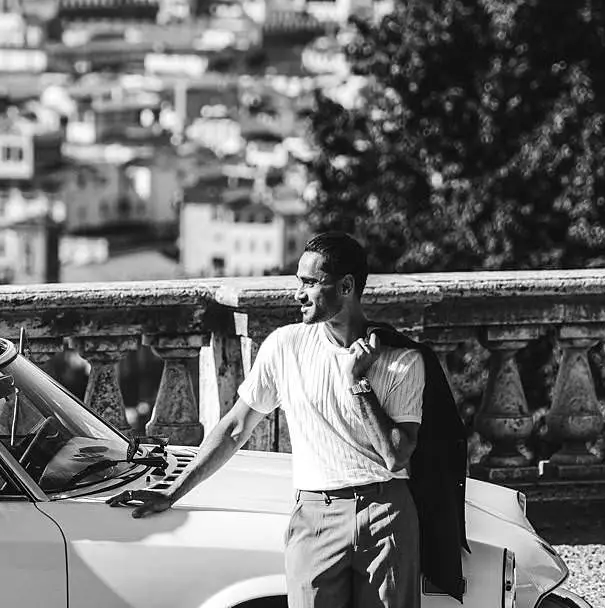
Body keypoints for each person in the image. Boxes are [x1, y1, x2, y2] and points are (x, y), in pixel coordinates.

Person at [108, 232, 425, 608]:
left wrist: (357, 381)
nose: (298, 293)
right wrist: (172, 493)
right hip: (315, 517)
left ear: (346, 286)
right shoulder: (285, 346)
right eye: (298, 281)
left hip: (385, 515)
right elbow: (234, 428)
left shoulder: (402, 360)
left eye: (310, 283)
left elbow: (395, 456)